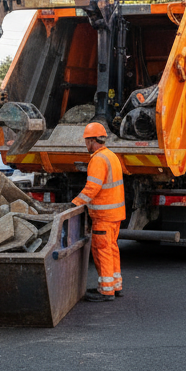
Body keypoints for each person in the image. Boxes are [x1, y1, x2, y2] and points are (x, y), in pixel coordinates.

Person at [71, 122, 126, 302]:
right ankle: (116, 286)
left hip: (104, 216)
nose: (86, 144)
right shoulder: (111, 156)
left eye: (87, 141)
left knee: (102, 251)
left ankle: (106, 290)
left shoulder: (98, 159)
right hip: (115, 214)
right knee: (111, 249)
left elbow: (92, 187)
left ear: (92, 140)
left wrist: (75, 203)